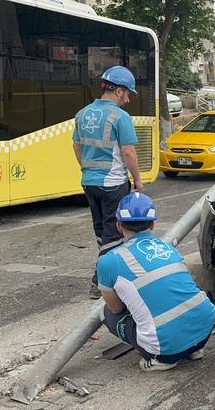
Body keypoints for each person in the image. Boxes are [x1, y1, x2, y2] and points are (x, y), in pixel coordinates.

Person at [97, 192, 215, 372]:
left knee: (106, 313)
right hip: (206, 328)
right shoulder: (167, 247)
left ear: (119, 225)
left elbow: (116, 309)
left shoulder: (108, 261)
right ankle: (194, 349)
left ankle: (163, 361)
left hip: (165, 349)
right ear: (152, 224)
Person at [73, 65, 144, 299]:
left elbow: (76, 146)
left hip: (89, 182)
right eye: (128, 94)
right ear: (120, 91)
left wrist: (87, 167)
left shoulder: (82, 114)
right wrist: (138, 179)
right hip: (113, 183)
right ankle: (100, 282)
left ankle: (111, 273)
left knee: (101, 231)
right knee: (113, 233)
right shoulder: (120, 117)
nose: (128, 101)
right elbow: (129, 152)